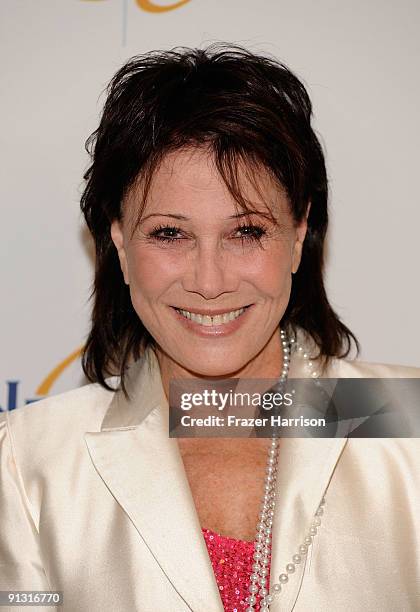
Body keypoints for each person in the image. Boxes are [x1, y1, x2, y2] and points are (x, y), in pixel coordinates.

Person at [0, 44, 419, 612]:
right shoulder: (28, 463)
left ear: (298, 235)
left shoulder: (406, 425)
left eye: (245, 232)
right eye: (169, 234)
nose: (209, 280)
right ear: (120, 244)